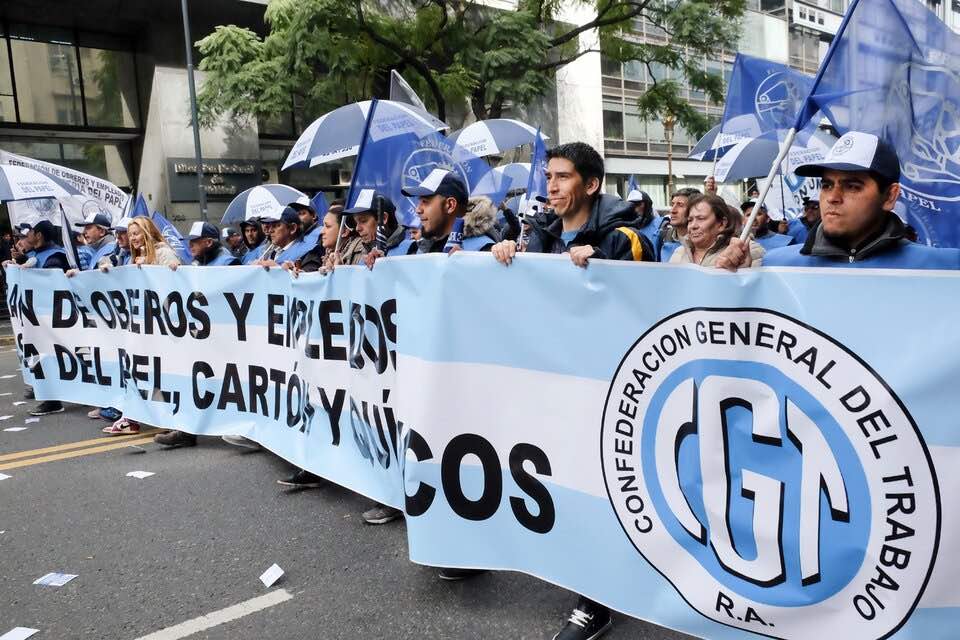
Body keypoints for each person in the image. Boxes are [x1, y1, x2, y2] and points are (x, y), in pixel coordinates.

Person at [492, 142, 652, 640]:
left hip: (604, 388)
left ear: (592, 184)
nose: (552, 186)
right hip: (551, 383)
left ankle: (596, 600)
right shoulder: (539, 236)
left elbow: (647, 279)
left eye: (563, 177)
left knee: (598, 487)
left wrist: (603, 261)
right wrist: (504, 256)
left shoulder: (624, 235)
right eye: (549, 177)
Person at [717, 131, 960, 271]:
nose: (832, 198)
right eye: (826, 185)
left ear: (890, 196)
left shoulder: (942, 269)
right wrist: (739, 286)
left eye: (852, 186)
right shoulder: (777, 266)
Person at [4, 221, 70, 416]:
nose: (27, 237)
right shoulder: (35, 254)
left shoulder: (55, 256)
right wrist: (18, 263)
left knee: (49, 355)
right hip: (36, 316)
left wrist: (26, 268)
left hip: (50, 317)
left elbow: (48, 280)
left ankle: (52, 400)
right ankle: (44, 389)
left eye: (30, 233)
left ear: (39, 235)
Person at [400, 170, 499, 254]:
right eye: (419, 202)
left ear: (450, 205)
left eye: (425, 202)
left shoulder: (485, 251)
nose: (418, 210)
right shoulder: (422, 249)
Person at [669, 194, 764, 267]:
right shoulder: (679, 253)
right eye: (690, 220)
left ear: (721, 224)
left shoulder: (745, 250)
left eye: (701, 218)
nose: (693, 226)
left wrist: (742, 270)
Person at [659, 187, 700, 262]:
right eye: (672, 205)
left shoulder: (703, 241)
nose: (673, 210)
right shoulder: (662, 236)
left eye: (680, 205)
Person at [625, 187, 662, 260]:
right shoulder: (627, 228)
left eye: (638, 204)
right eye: (631, 205)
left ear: (647, 205)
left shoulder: (662, 224)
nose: (635, 209)